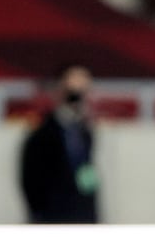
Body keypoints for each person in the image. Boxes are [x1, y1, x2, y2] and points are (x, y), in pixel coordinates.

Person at [20, 64, 100, 224]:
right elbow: (31, 179)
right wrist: (40, 214)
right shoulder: (43, 133)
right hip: (52, 218)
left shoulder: (85, 132)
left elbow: (87, 174)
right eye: (73, 93)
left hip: (82, 217)